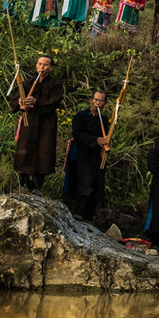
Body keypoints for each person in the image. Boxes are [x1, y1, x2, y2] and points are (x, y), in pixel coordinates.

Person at [8, 56, 63, 195]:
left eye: (45, 65)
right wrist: (20, 103)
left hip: (47, 122)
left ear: (50, 68)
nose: (42, 67)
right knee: (25, 149)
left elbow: (55, 101)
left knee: (44, 151)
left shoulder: (56, 84)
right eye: (40, 64)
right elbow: (14, 100)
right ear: (36, 66)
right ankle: (23, 183)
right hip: (29, 120)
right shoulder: (27, 83)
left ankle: (37, 186)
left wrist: (36, 101)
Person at [64, 91, 109, 222]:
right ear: (91, 101)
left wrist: (106, 141)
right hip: (82, 154)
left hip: (97, 155)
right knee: (85, 181)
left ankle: (89, 215)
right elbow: (77, 133)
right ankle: (79, 212)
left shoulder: (104, 119)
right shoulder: (81, 116)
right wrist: (95, 140)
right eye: (96, 100)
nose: (98, 103)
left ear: (104, 103)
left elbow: (105, 135)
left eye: (100, 101)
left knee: (97, 182)